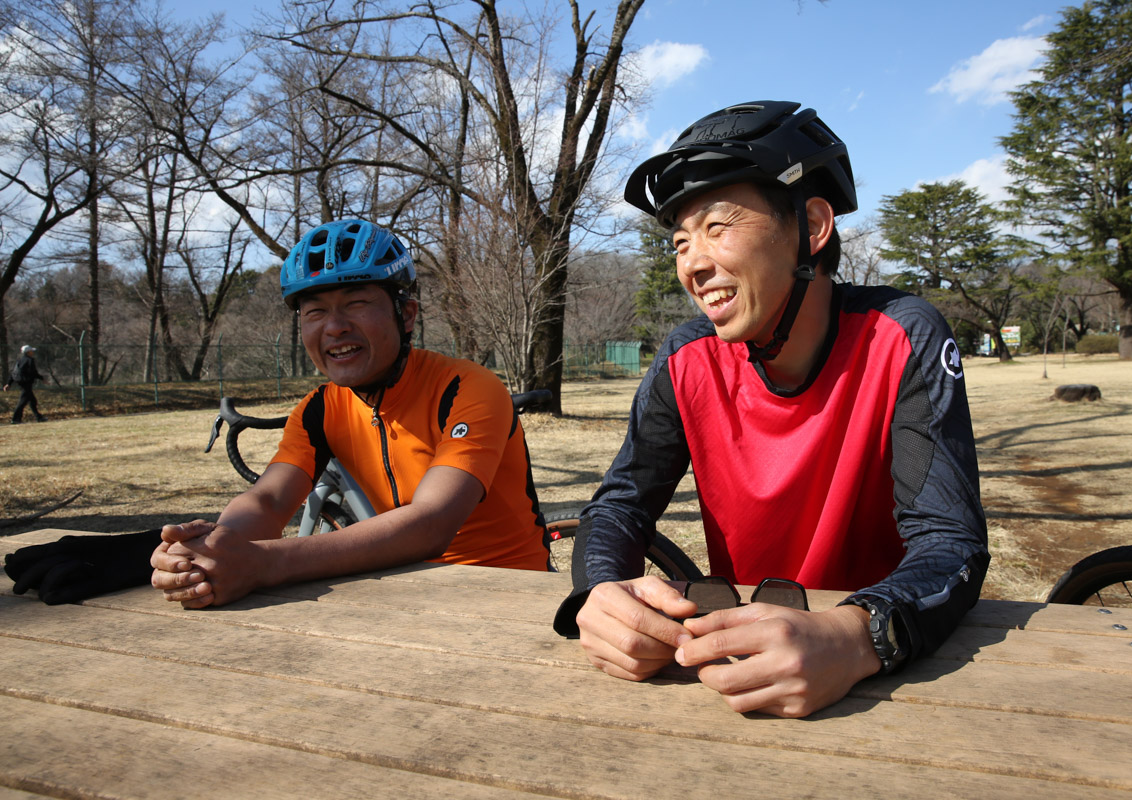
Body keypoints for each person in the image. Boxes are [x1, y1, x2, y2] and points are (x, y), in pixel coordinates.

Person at [554, 101, 989, 718]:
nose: (693, 264)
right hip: (739, 669)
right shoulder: (687, 357)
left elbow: (951, 543)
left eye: (717, 226)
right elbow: (621, 503)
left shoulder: (899, 335)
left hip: (884, 675)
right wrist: (597, 594)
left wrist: (860, 633)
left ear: (812, 225)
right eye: (680, 242)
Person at [150, 219, 549, 609]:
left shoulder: (467, 387)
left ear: (406, 315)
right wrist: (207, 555)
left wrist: (265, 562)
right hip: (403, 592)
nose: (335, 327)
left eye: (356, 303)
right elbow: (269, 500)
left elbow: (432, 522)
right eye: (315, 312)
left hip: (510, 593)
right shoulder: (318, 409)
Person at [3, 345, 48, 424]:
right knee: (23, 401)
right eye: (31, 351)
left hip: (20, 382)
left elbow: (13, 373)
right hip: (26, 382)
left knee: (32, 401)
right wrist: (42, 378)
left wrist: (9, 383)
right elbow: (33, 372)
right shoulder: (30, 360)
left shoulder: (19, 360)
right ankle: (16, 419)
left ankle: (39, 417)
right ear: (28, 352)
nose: (33, 352)